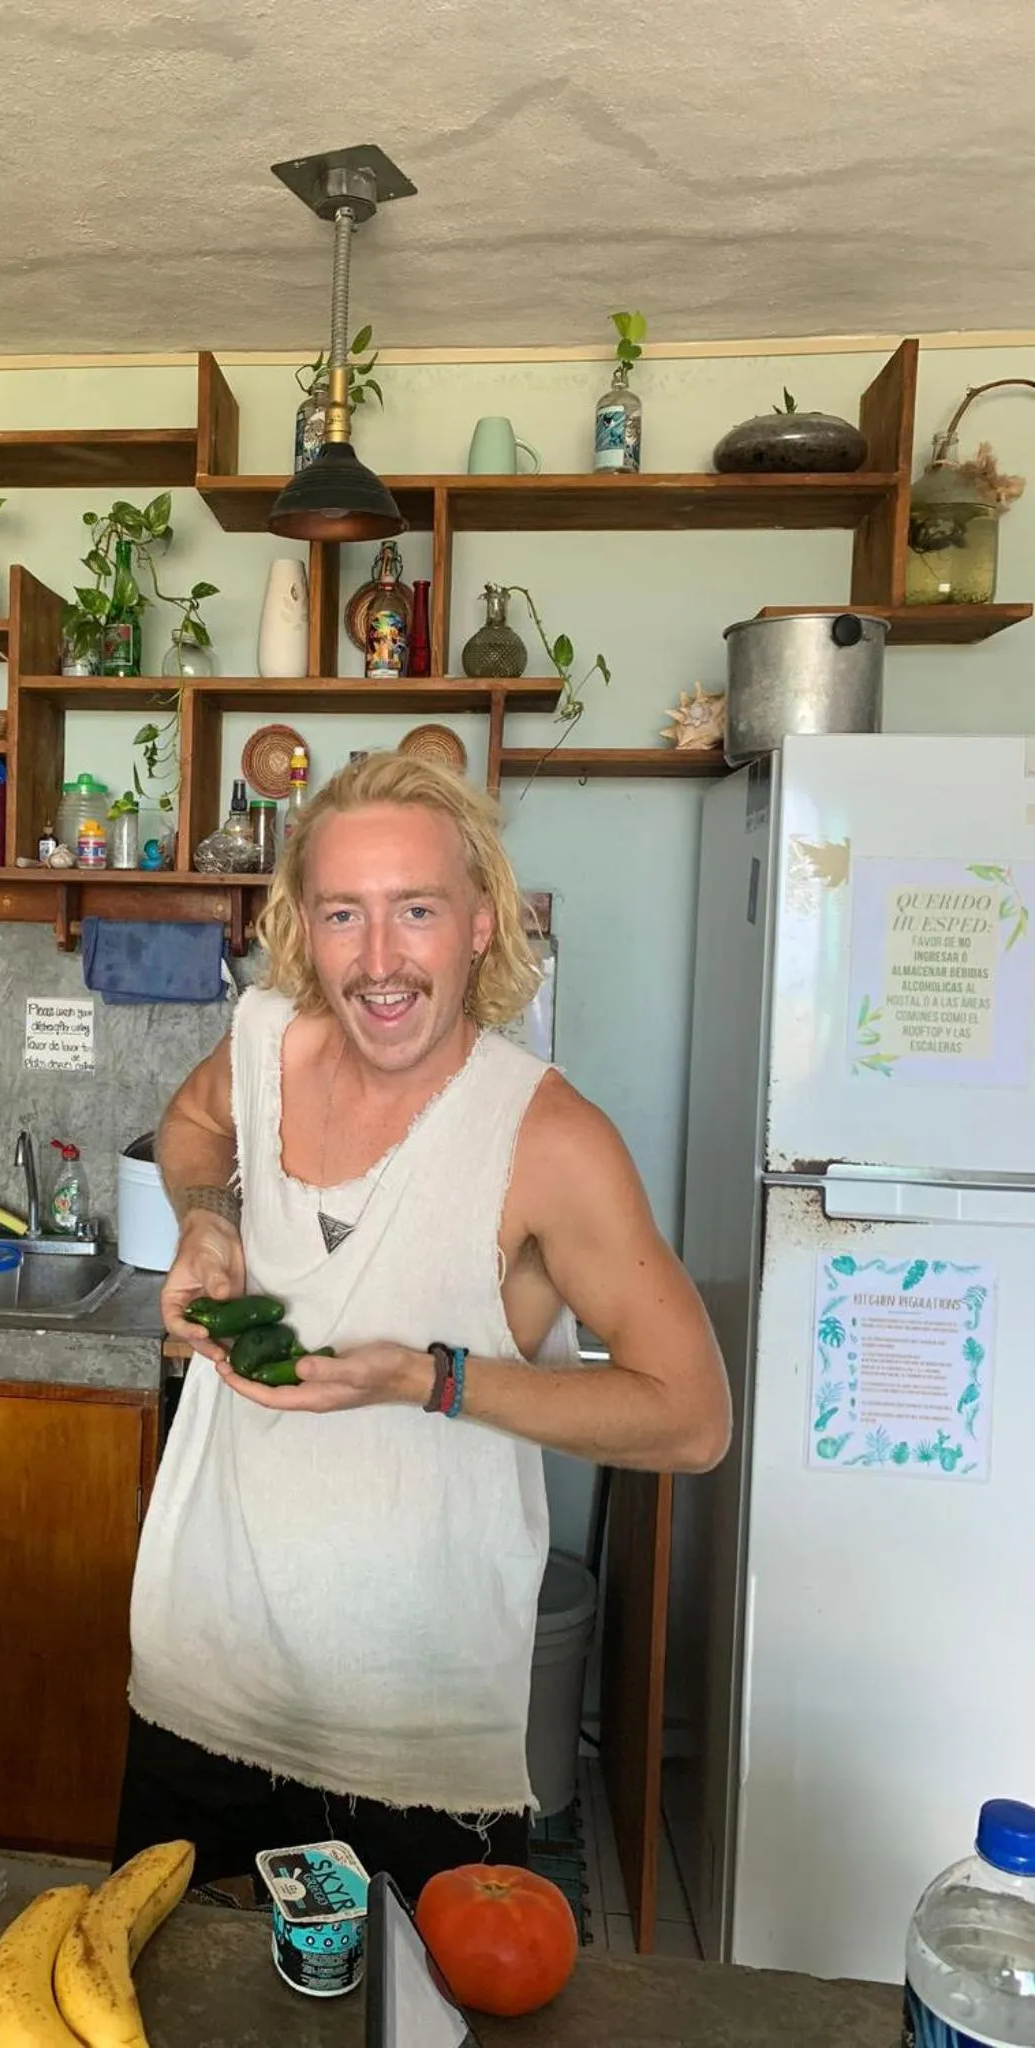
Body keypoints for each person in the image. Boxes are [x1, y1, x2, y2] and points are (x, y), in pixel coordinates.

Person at [115, 753, 729, 1900]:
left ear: (483, 924)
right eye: (345, 912)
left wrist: (433, 1380)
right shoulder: (263, 1041)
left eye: (418, 911)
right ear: (304, 923)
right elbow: (191, 1129)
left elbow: (691, 1417)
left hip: (416, 1740)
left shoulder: (546, 1137)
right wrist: (209, 1223)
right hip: (201, 1682)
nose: (380, 959)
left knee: (408, 2021)